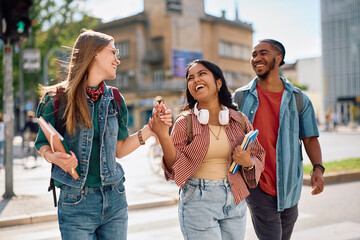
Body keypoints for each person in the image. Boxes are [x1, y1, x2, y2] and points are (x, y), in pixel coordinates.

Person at [35, 30, 171, 240]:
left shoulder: (115, 98)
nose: (118, 59)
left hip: (115, 197)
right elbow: (43, 144)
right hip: (75, 201)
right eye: (113, 52)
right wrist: (55, 158)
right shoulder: (57, 98)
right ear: (95, 53)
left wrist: (151, 129)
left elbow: (120, 150)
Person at [149, 59, 265, 240]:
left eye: (202, 74)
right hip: (198, 201)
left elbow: (258, 155)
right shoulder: (184, 122)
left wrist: (247, 162)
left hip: (235, 198)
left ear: (218, 83)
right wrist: (164, 136)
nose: (195, 80)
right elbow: (174, 169)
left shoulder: (239, 120)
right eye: (190, 78)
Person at [233, 39, 325, 240]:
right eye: (254, 54)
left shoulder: (299, 99)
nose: (256, 58)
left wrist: (318, 169)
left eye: (263, 53)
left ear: (279, 58)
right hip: (257, 183)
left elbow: (310, 139)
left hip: (290, 185)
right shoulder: (240, 98)